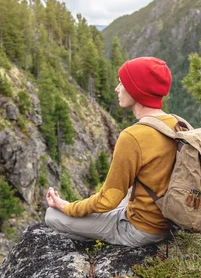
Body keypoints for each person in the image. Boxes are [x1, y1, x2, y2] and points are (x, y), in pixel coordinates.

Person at [45, 57, 186, 247]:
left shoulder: (133, 136)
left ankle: (96, 237)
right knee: (118, 200)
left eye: (122, 83)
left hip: (143, 230)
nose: (117, 89)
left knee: (52, 215)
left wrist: (65, 206)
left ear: (136, 89)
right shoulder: (178, 123)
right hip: (171, 220)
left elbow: (107, 200)